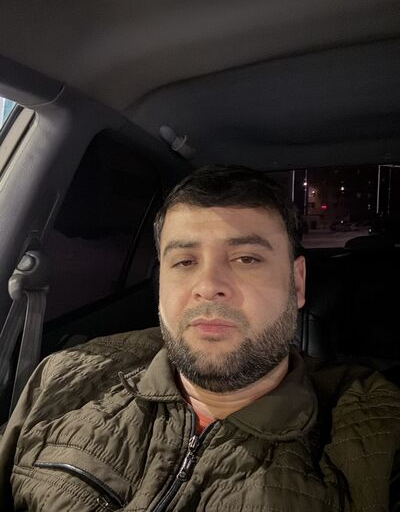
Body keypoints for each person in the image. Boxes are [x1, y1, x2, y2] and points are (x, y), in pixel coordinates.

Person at [0, 165, 399, 511]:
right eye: (185, 261)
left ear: (296, 283)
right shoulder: (66, 376)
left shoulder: (376, 435)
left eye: (246, 258)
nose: (208, 286)